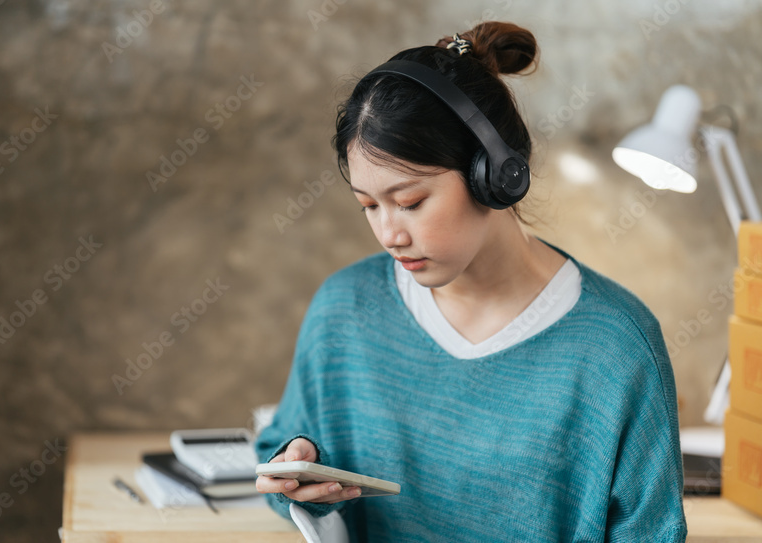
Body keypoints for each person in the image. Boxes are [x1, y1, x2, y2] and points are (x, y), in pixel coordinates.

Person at [254, 21, 687, 542]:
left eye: (411, 202)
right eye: (369, 206)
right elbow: (279, 453)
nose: (388, 233)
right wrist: (296, 474)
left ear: (497, 173)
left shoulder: (616, 348)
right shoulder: (344, 310)